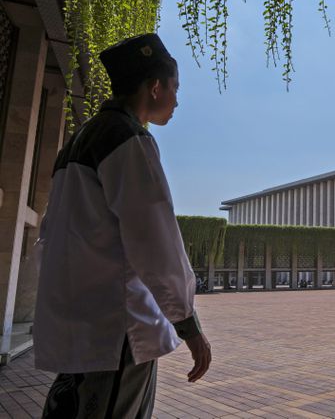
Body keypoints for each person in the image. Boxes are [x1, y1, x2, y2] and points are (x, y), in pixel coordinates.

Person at [33, 33, 212, 418]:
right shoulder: (128, 138)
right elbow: (156, 243)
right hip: (116, 330)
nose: (178, 100)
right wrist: (188, 324)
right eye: (175, 88)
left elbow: (49, 235)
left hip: (78, 325)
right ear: (155, 86)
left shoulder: (79, 140)